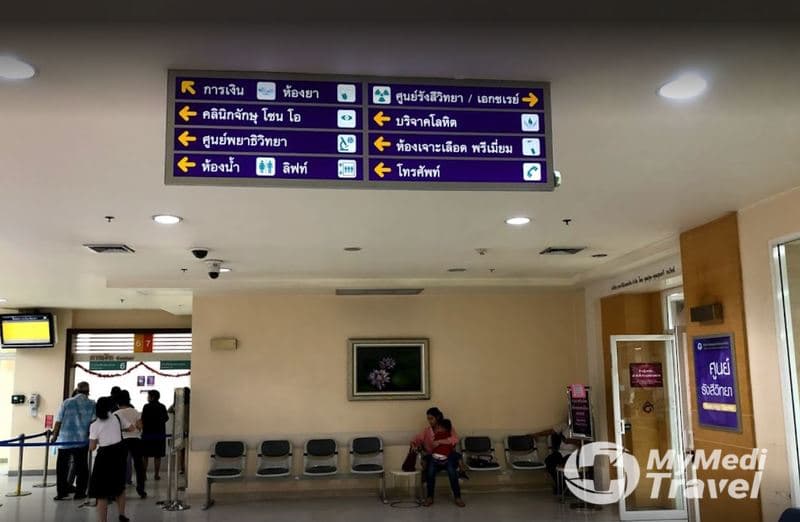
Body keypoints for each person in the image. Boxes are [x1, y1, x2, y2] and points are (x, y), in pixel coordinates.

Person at [88, 396, 137, 522]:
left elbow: (92, 447)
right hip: (119, 454)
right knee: (119, 486)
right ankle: (122, 515)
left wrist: (97, 439)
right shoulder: (117, 418)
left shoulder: (94, 425)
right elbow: (132, 428)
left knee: (102, 492)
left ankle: (103, 520)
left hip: (104, 457)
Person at [411, 407, 465, 508]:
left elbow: (455, 439)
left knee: (452, 471)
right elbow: (415, 440)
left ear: (438, 417)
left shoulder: (447, 427)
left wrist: (440, 442)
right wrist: (414, 445)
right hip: (434, 457)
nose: (429, 421)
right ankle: (430, 497)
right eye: (428, 419)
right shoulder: (427, 431)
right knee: (430, 472)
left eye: (431, 418)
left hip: (448, 456)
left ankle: (457, 497)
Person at [51, 381, 95, 501]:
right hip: (81, 440)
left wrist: (54, 437)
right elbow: (93, 422)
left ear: (77, 389)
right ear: (88, 391)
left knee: (62, 468)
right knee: (82, 467)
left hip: (65, 440)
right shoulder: (92, 404)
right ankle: (80, 493)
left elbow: (58, 421)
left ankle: (61, 493)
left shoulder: (67, 402)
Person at [533, 423, 581, 495]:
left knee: (566, 465)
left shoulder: (581, 427)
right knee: (549, 461)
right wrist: (536, 434)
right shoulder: (565, 425)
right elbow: (551, 431)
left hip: (573, 454)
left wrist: (571, 441)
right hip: (561, 452)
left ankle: (566, 487)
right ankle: (561, 485)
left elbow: (584, 442)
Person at [115, 390, 146, 498]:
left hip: (122, 440)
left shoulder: (116, 413)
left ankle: (119, 489)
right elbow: (140, 426)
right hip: (136, 440)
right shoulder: (135, 411)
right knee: (139, 465)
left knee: (120, 465)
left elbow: (115, 429)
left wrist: (125, 430)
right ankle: (141, 489)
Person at [141, 390, 169, 480]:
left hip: (147, 434)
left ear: (152, 397)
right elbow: (166, 418)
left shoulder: (146, 406)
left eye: (148, 396)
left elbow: (143, 419)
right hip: (159, 435)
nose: (147, 398)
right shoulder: (162, 406)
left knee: (145, 456)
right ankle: (156, 475)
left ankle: (144, 475)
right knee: (157, 456)